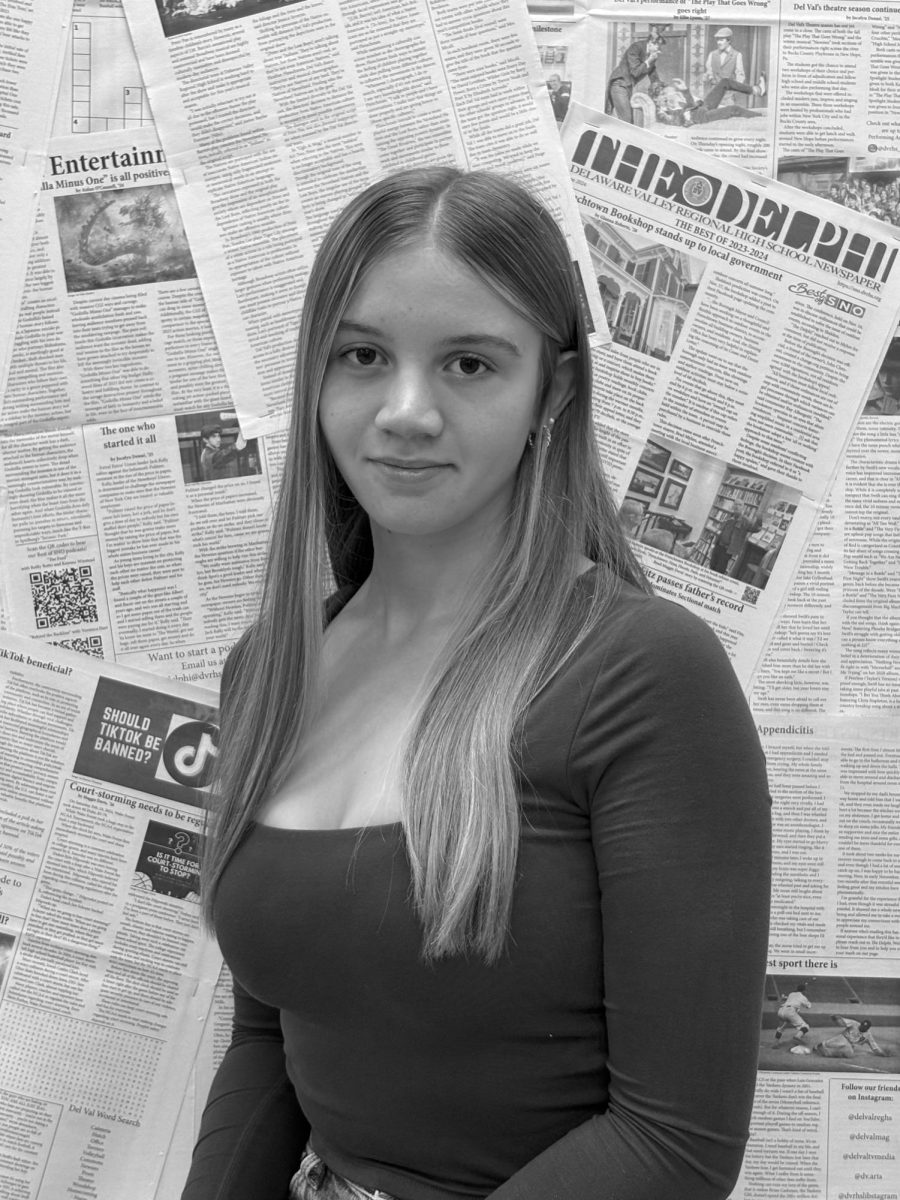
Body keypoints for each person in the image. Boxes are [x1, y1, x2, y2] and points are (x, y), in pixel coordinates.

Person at [183, 166, 771, 1200]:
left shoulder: (642, 673)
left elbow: (674, 1146)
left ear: (554, 393)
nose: (406, 412)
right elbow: (267, 1041)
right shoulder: (269, 669)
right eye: (363, 355)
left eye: (468, 364)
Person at [605, 25, 668, 124]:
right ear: (651, 43)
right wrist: (649, 60)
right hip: (619, 84)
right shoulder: (636, 47)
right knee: (626, 121)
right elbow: (635, 72)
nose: (658, 51)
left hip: (628, 86)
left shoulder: (650, 58)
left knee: (629, 122)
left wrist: (665, 91)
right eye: (657, 47)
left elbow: (655, 79)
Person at [653, 76, 765, 128]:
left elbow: (691, 105)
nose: (665, 97)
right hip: (701, 117)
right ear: (655, 99)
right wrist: (673, 109)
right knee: (734, 109)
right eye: (661, 95)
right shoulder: (661, 113)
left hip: (702, 107)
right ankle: (762, 118)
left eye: (664, 93)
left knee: (725, 82)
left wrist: (685, 90)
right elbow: (677, 122)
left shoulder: (674, 99)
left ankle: (757, 90)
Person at [710, 503, 761, 574]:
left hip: (726, 550)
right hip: (718, 546)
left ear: (743, 508)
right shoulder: (729, 517)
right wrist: (714, 543)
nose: (737, 506)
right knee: (711, 566)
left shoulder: (745, 521)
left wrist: (759, 518)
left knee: (719, 570)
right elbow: (721, 531)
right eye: (735, 504)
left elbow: (756, 529)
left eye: (739, 505)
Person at [814, 1016, 888, 1059]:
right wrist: (837, 1019)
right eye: (862, 1025)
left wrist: (882, 1053)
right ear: (861, 1024)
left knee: (849, 1054)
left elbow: (874, 1047)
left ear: (868, 1028)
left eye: (865, 1027)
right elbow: (843, 1021)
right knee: (829, 1044)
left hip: (850, 1045)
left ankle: (827, 1053)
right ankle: (818, 1046)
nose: (863, 1027)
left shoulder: (868, 1035)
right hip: (842, 1038)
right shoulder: (854, 1024)